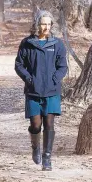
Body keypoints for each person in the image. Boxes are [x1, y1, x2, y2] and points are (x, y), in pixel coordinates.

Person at [14, 10, 68, 171]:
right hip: (33, 91)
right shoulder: (27, 43)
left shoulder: (57, 44)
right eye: (43, 23)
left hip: (52, 91)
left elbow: (63, 66)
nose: (46, 27)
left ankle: (47, 158)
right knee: (36, 125)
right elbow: (19, 65)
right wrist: (29, 79)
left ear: (52, 25)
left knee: (49, 124)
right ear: (37, 24)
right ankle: (35, 147)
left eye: (48, 24)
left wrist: (54, 79)